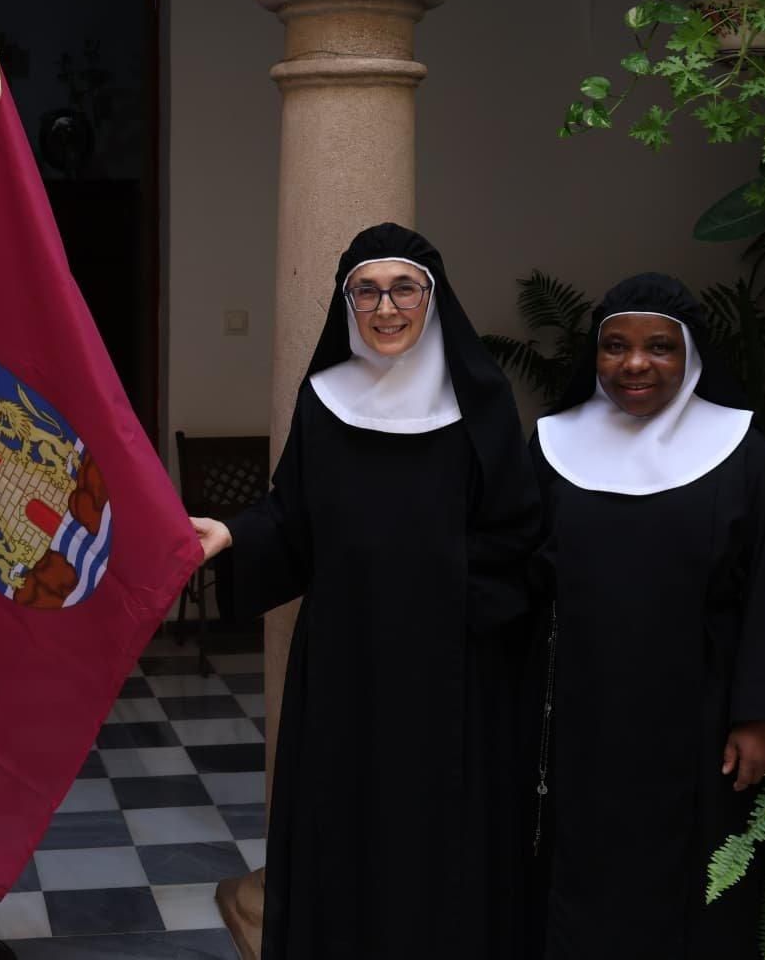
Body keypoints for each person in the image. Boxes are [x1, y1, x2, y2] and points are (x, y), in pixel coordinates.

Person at [191, 223, 541, 958]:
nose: (386, 308)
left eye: (403, 288)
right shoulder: (324, 400)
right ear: (346, 302)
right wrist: (233, 534)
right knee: (346, 825)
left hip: (454, 668)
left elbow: (517, 536)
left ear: (432, 297)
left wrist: (429, 582)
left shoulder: (481, 406)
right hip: (348, 663)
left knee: (444, 835)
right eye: (367, 290)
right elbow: (292, 516)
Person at [529, 273, 765, 959]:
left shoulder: (746, 455)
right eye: (616, 346)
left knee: (695, 892)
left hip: (702, 720)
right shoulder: (548, 448)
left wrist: (761, 715)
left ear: (690, 356)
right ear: (594, 357)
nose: (635, 364)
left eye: (659, 347)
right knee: (577, 882)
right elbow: (515, 574)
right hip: (578, 717)